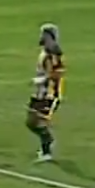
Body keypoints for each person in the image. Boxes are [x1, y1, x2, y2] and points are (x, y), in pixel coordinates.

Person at [27, 24, 65, 162]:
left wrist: (42, 80)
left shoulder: (54, 53)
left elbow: (59, 72)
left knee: (37, 121)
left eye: (44, 34)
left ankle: (46, 150)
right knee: (31, 121)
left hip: (49, 93)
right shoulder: (45, 51)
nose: (41, 36)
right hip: (40, 92)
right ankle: (47, 141)